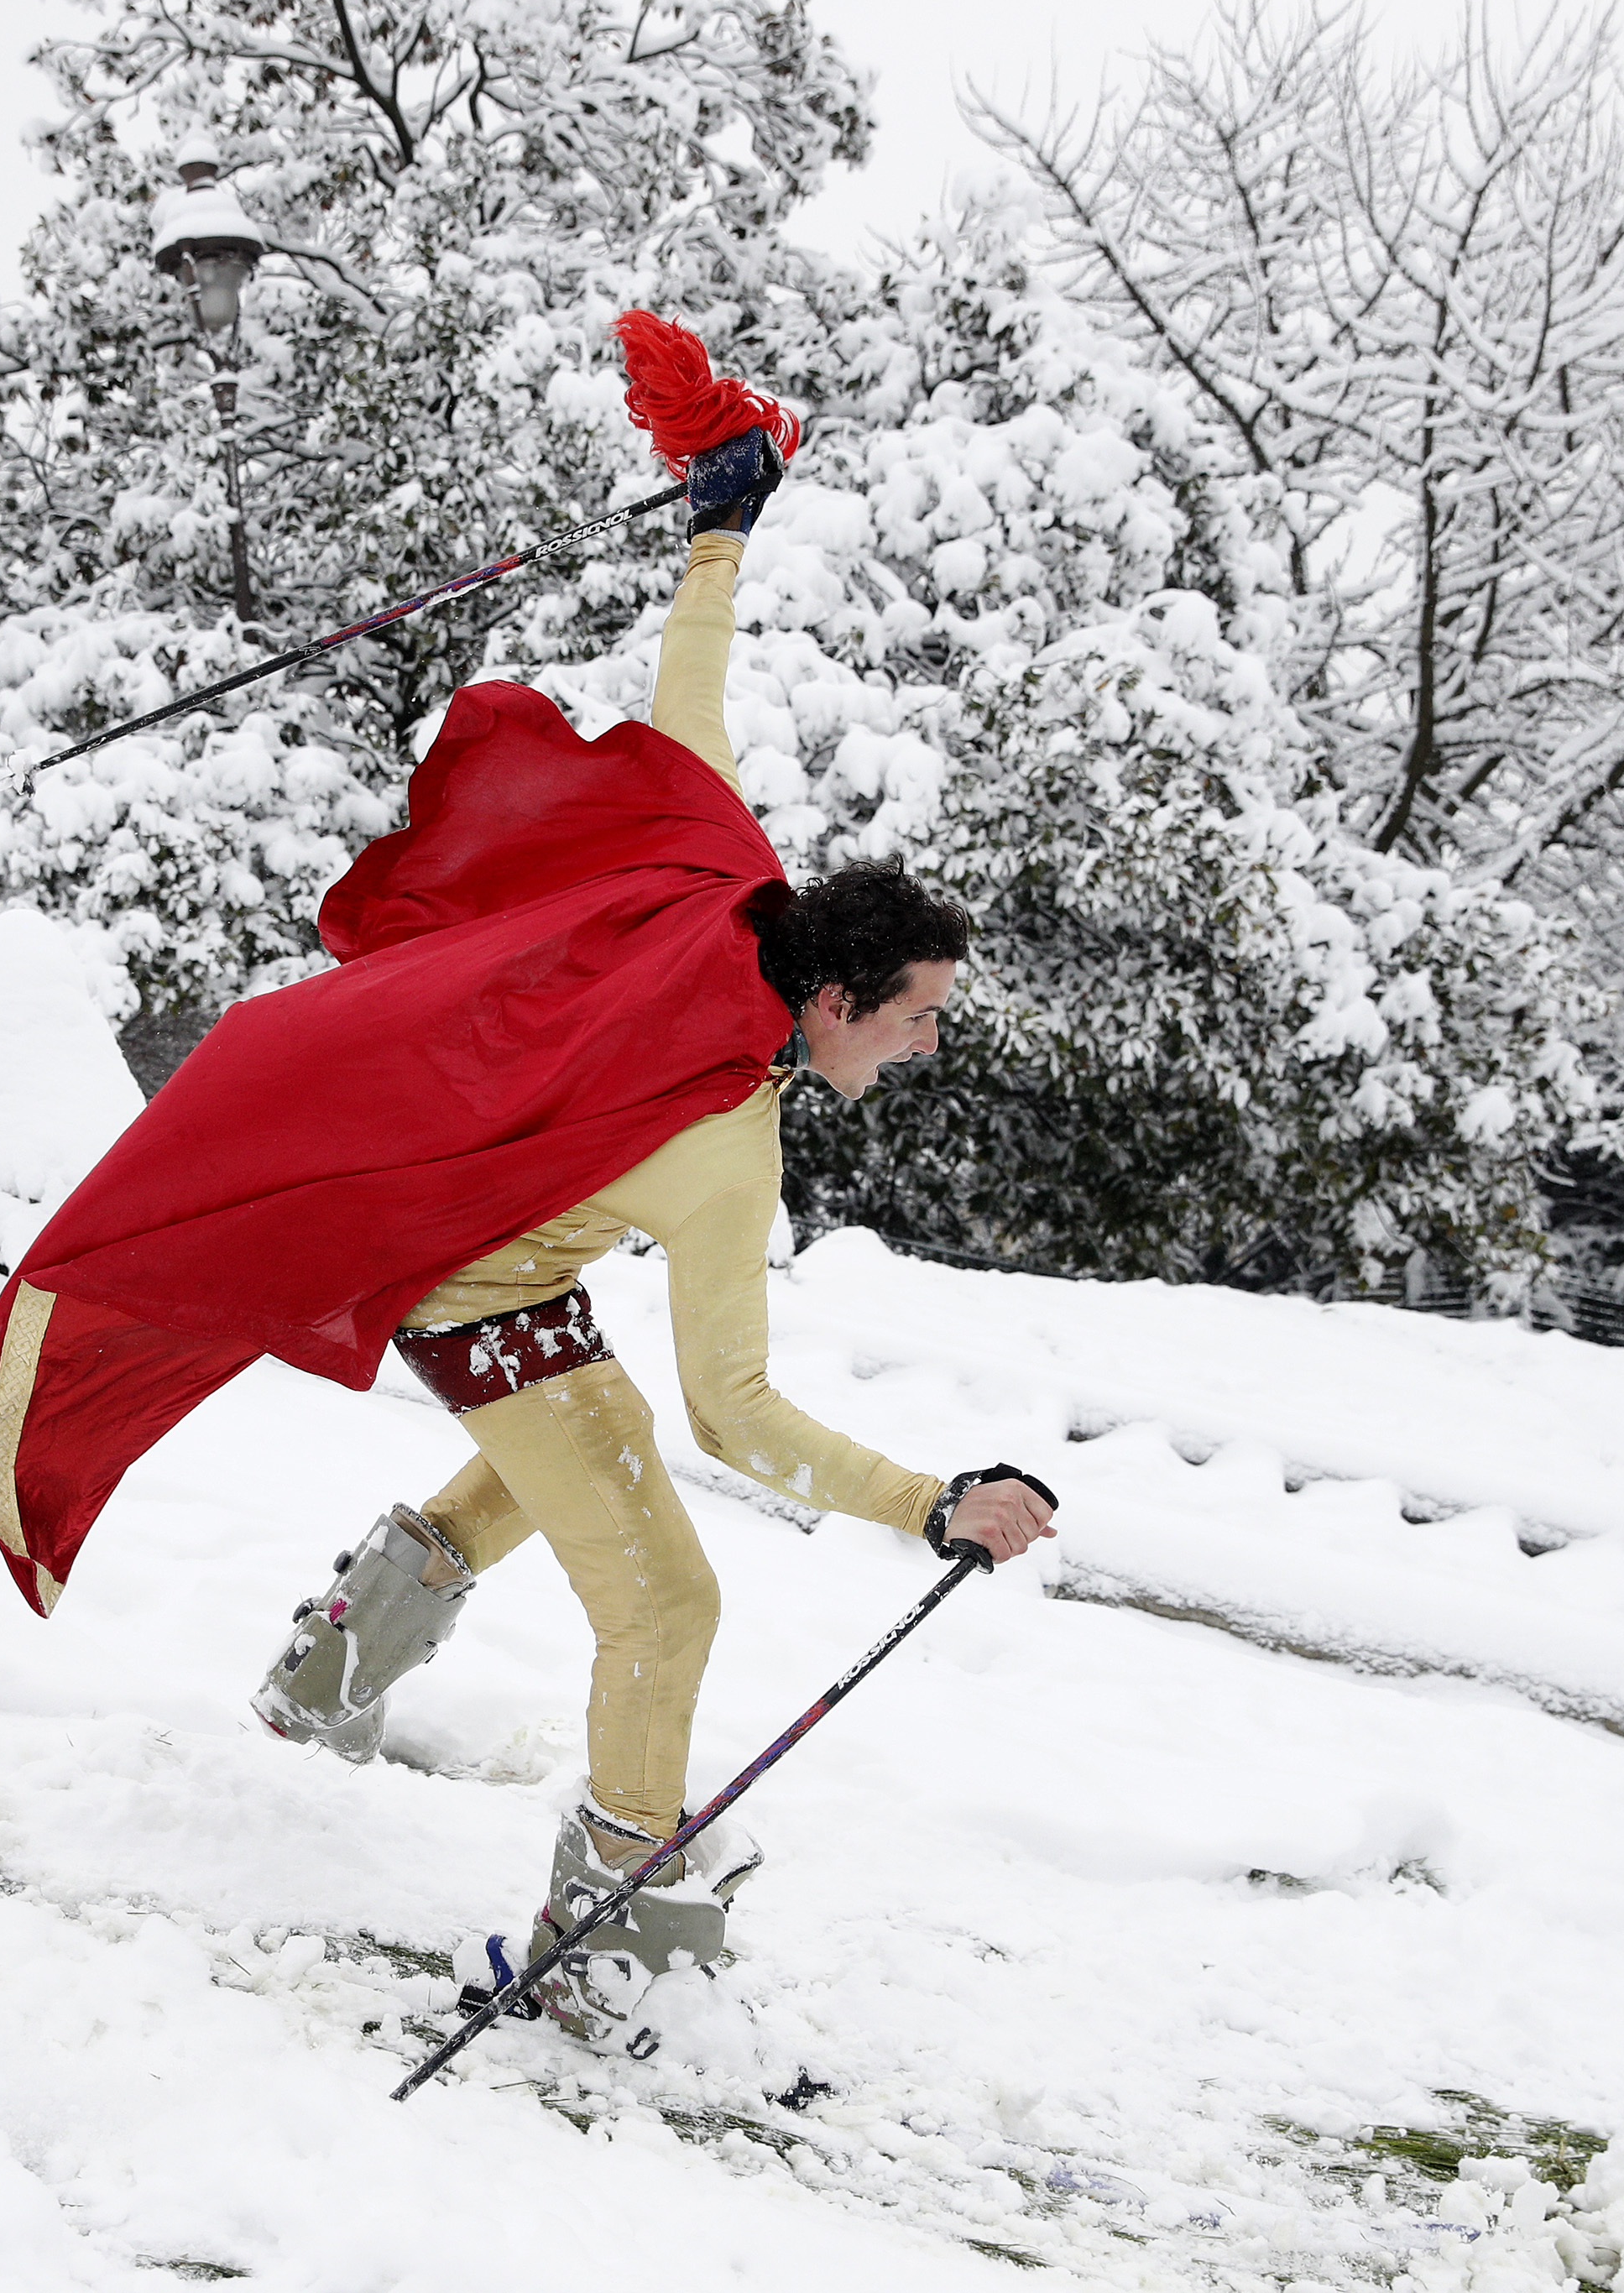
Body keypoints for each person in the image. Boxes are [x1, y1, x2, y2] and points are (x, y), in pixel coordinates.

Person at [248, 427, 1061, 2050]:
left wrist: (718, 535)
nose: (922, 1047)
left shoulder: (721, 890)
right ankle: (615, 1920)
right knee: (665, 1598)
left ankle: (328, 1675)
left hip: (491, 1265)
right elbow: (734, 1416)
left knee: (589, 1455)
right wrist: (925, 1505)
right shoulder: (727, 1147)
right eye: (912, 1021)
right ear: (834, 996)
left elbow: (689, 718)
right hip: (464, 1279)